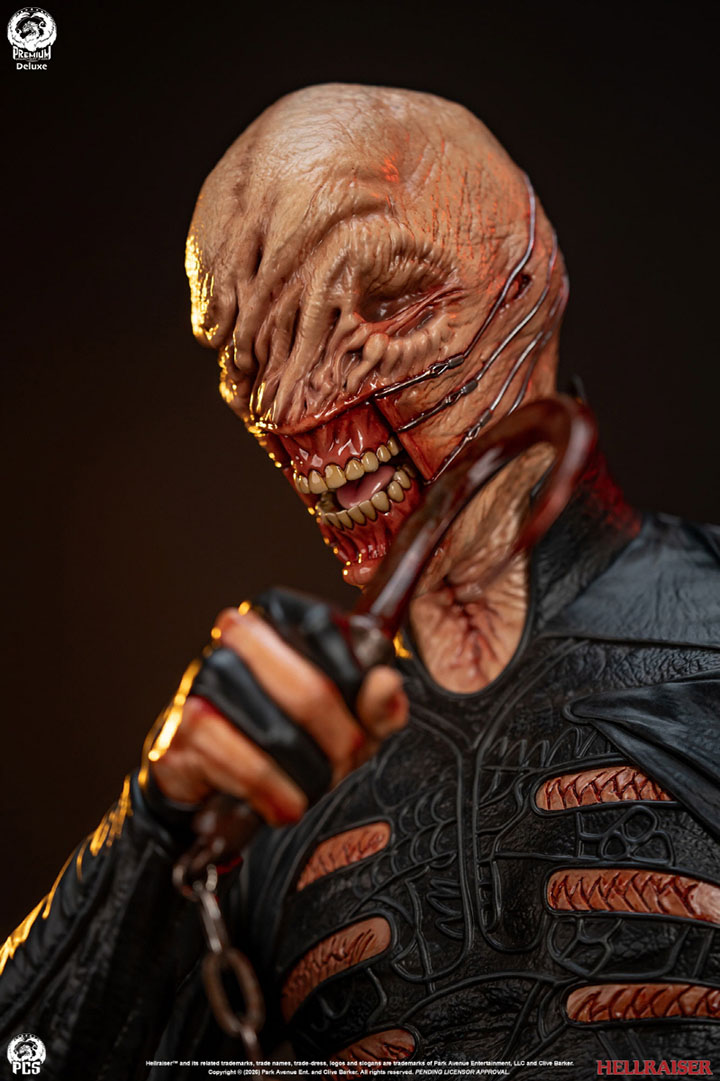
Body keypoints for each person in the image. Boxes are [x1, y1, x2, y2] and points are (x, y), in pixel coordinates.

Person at [1, 85, 719, 1080]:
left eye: (388, 303)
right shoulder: (272, 768)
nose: (300, 406)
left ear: (530, 280)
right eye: (250, 353)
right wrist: (154, 827)